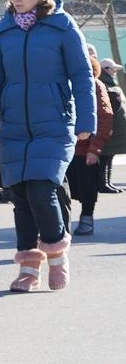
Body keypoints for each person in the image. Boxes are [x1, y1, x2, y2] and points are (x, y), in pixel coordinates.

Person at [0, 0, 95, 293]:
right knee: (21, 195)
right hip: (14, 126)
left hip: (54, 123)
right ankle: (28, 268)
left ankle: (56, 254)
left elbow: (83, 77)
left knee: (41, 188)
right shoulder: (4, 31)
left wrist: (86, 121)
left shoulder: (62, 27)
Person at [64, 54, 112, 236]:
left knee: (87, 188)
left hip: (85, 150)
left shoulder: (96, 86)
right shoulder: (62, 83)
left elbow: (104, 118)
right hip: (64, 148)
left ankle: (87, 218)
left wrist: (95, 149)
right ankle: (61, 224)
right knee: (62, 189)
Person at [97, 58, 126, 193]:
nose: (115, 72)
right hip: (109, 128)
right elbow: (108, 109)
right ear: (105, 70)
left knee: (109, 156)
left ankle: (107, 182)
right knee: (105, 156)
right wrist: (108, 127)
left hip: (115, 129)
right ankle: (103, 184)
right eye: (113, 69)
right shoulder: (104, 85)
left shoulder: (111, 84)